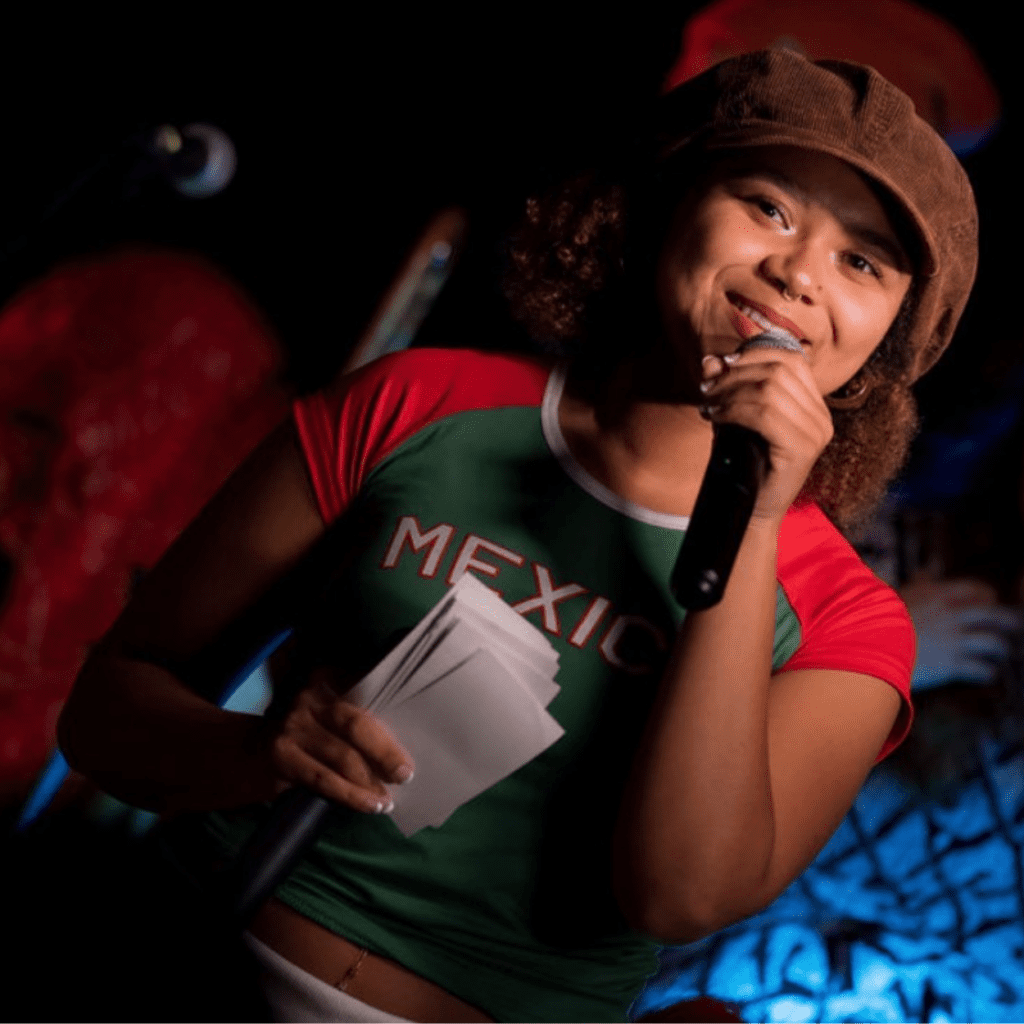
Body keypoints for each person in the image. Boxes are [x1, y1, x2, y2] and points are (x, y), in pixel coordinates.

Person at [56, 49, 978, 1024]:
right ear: (669, 202)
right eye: (768, 206)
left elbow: (678, 896)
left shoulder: (848, 624)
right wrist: (252, 752)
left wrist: (749, 519)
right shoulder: (415, 404)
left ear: (888, 339)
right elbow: (105, 712)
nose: (796, 272)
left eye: (862, 262)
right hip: (192, 961)